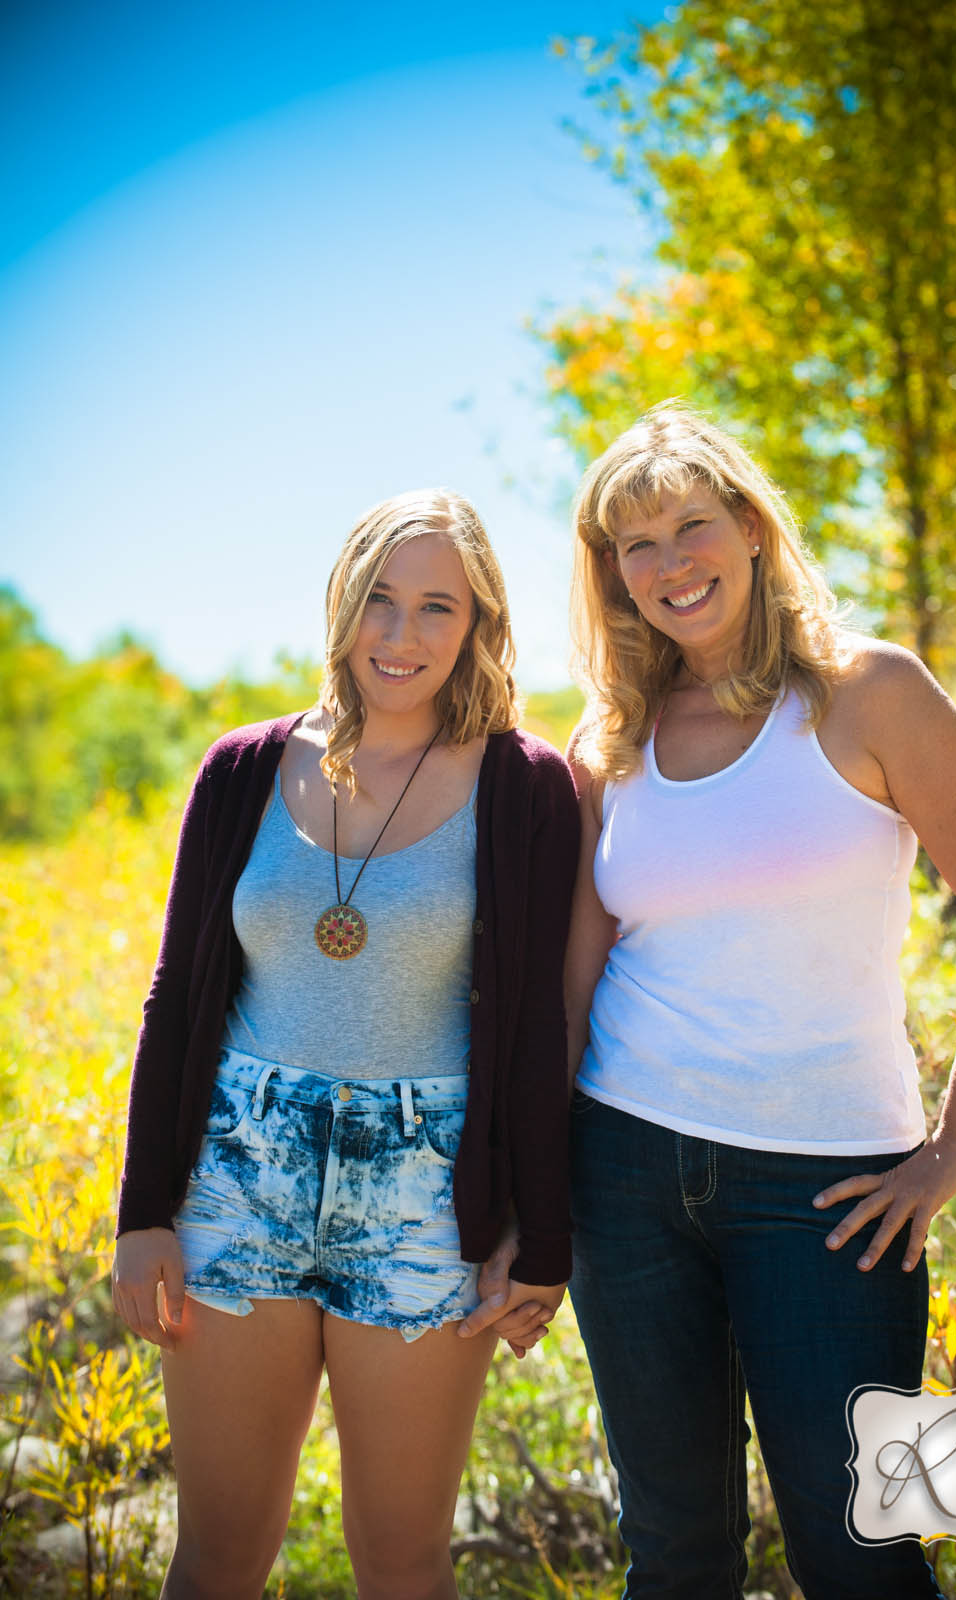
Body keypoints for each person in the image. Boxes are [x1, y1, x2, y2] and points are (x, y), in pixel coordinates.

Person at [563, 403, 956, 1600]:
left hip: (841, 1191)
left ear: (748, 525)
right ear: (612, 575)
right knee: (673, 1554)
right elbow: (575, 981)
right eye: (637, 544)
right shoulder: (606, 744)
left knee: (880, 1549)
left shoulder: (870, 689)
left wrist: (950, 1155)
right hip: (623, 1176)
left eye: (692, 525)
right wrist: (536, 1181)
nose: (672, 562)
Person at [111, 489, 578, 1600]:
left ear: (477, 625)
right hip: (238, 1173)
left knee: (403, 1558)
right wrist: (144, 1212)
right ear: (342, 602)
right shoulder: (241, 771)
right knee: (219, 1552)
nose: (401, 635)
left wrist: (541, 1238)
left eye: (435, 607)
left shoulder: (526, 788)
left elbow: (535, 1031)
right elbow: (177, 998)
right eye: (379, 599)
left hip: (422, 1190)